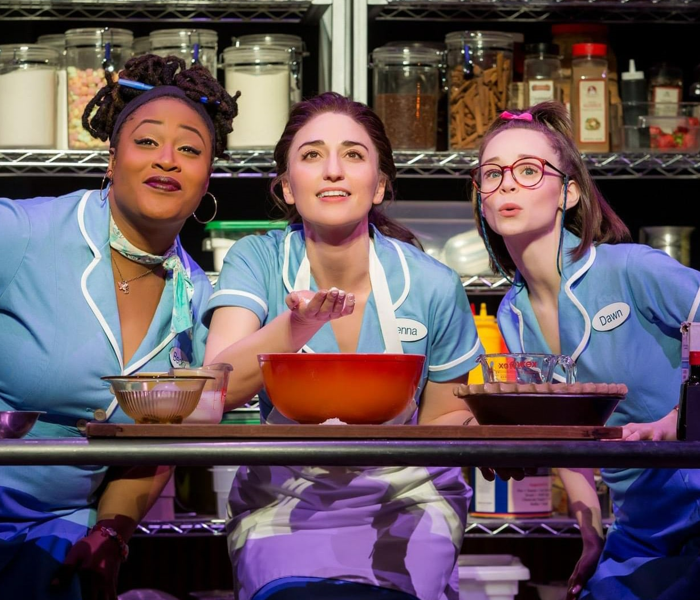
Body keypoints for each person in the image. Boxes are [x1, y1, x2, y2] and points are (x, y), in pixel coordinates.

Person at [203, 91, 484, 600]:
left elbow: (442, 425)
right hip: (284, 497)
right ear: (287, 187)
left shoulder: (432, 284)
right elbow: (214, 389)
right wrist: (297, 327)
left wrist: (495, 426)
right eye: (312, 155)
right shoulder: (257, 260)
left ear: (379, 186)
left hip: (408, 495)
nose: (333, 170)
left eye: (353, 155)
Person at [0, 54, 238, 599]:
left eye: (191, 150)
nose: (168, 161)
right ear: (111, 159)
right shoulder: (24, 234)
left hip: (62, 537)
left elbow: (155, 447)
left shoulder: (199, 302)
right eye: (148, 141)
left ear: (208, 180)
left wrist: (111, 532)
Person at [471, 101, 700, 600]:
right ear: (481, 198)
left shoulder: (631, 269)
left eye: (529, 171)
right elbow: (564, 436)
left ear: (568, 193)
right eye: (492, 174)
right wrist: (591, 533)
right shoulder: (512, 313)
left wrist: (682, 417)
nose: (507, 184)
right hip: (640, 529)